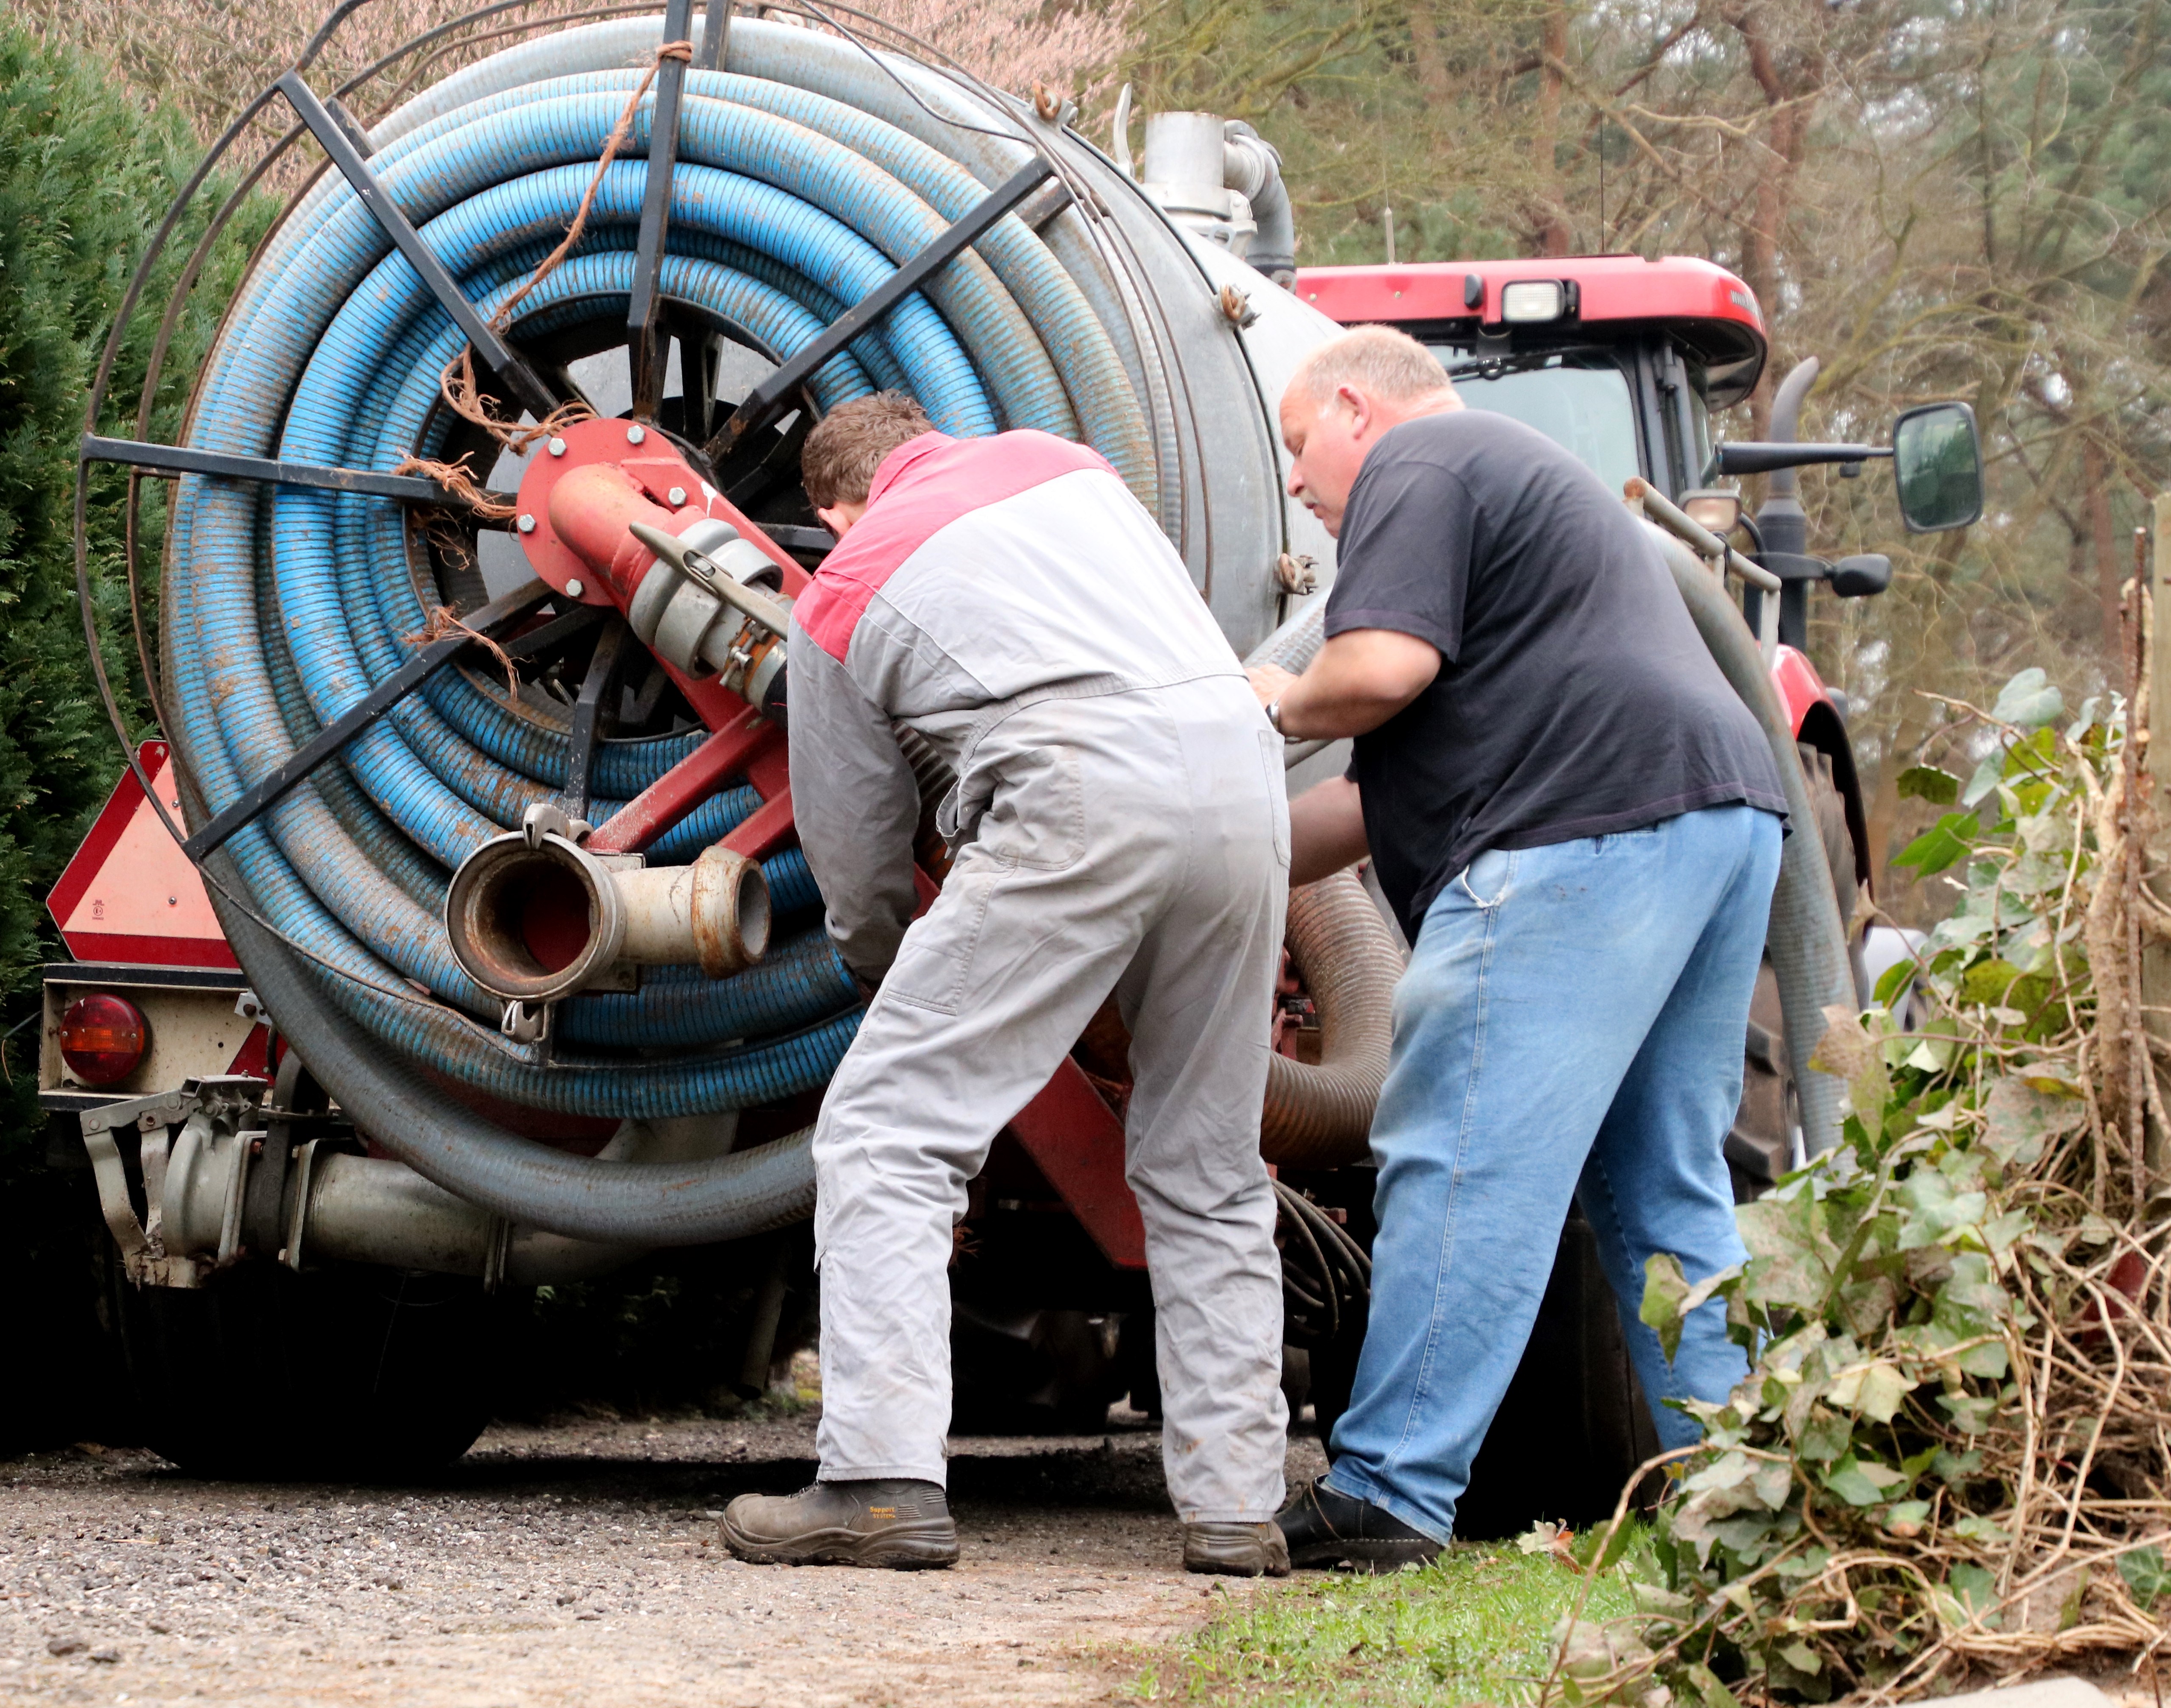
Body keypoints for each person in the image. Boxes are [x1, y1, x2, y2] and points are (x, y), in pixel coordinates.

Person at [716, 393, 1295, 1576]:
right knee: (1209, 1162)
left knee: (885, 1131)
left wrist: (886, 968)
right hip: (1243, 776)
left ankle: (878, 1484)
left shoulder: (846, 582)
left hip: (1076, 787)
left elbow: (858, 850)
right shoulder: (1063, 466)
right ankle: (1238, 1507)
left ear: (835, 512)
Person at [1251, 327, 1787, 1571]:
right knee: (1662, 1183)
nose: (1297, 480)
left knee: (1462, 1155)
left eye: (1300, 445)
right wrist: (1225, 857)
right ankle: (1747, 1504)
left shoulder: (1423, 463)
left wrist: (1262, 697)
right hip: (1713, 823)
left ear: (1355, 408)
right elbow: (1368, 804)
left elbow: (1375, 669)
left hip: (1577, 838)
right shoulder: (1517, 498)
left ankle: (1389, 1490)